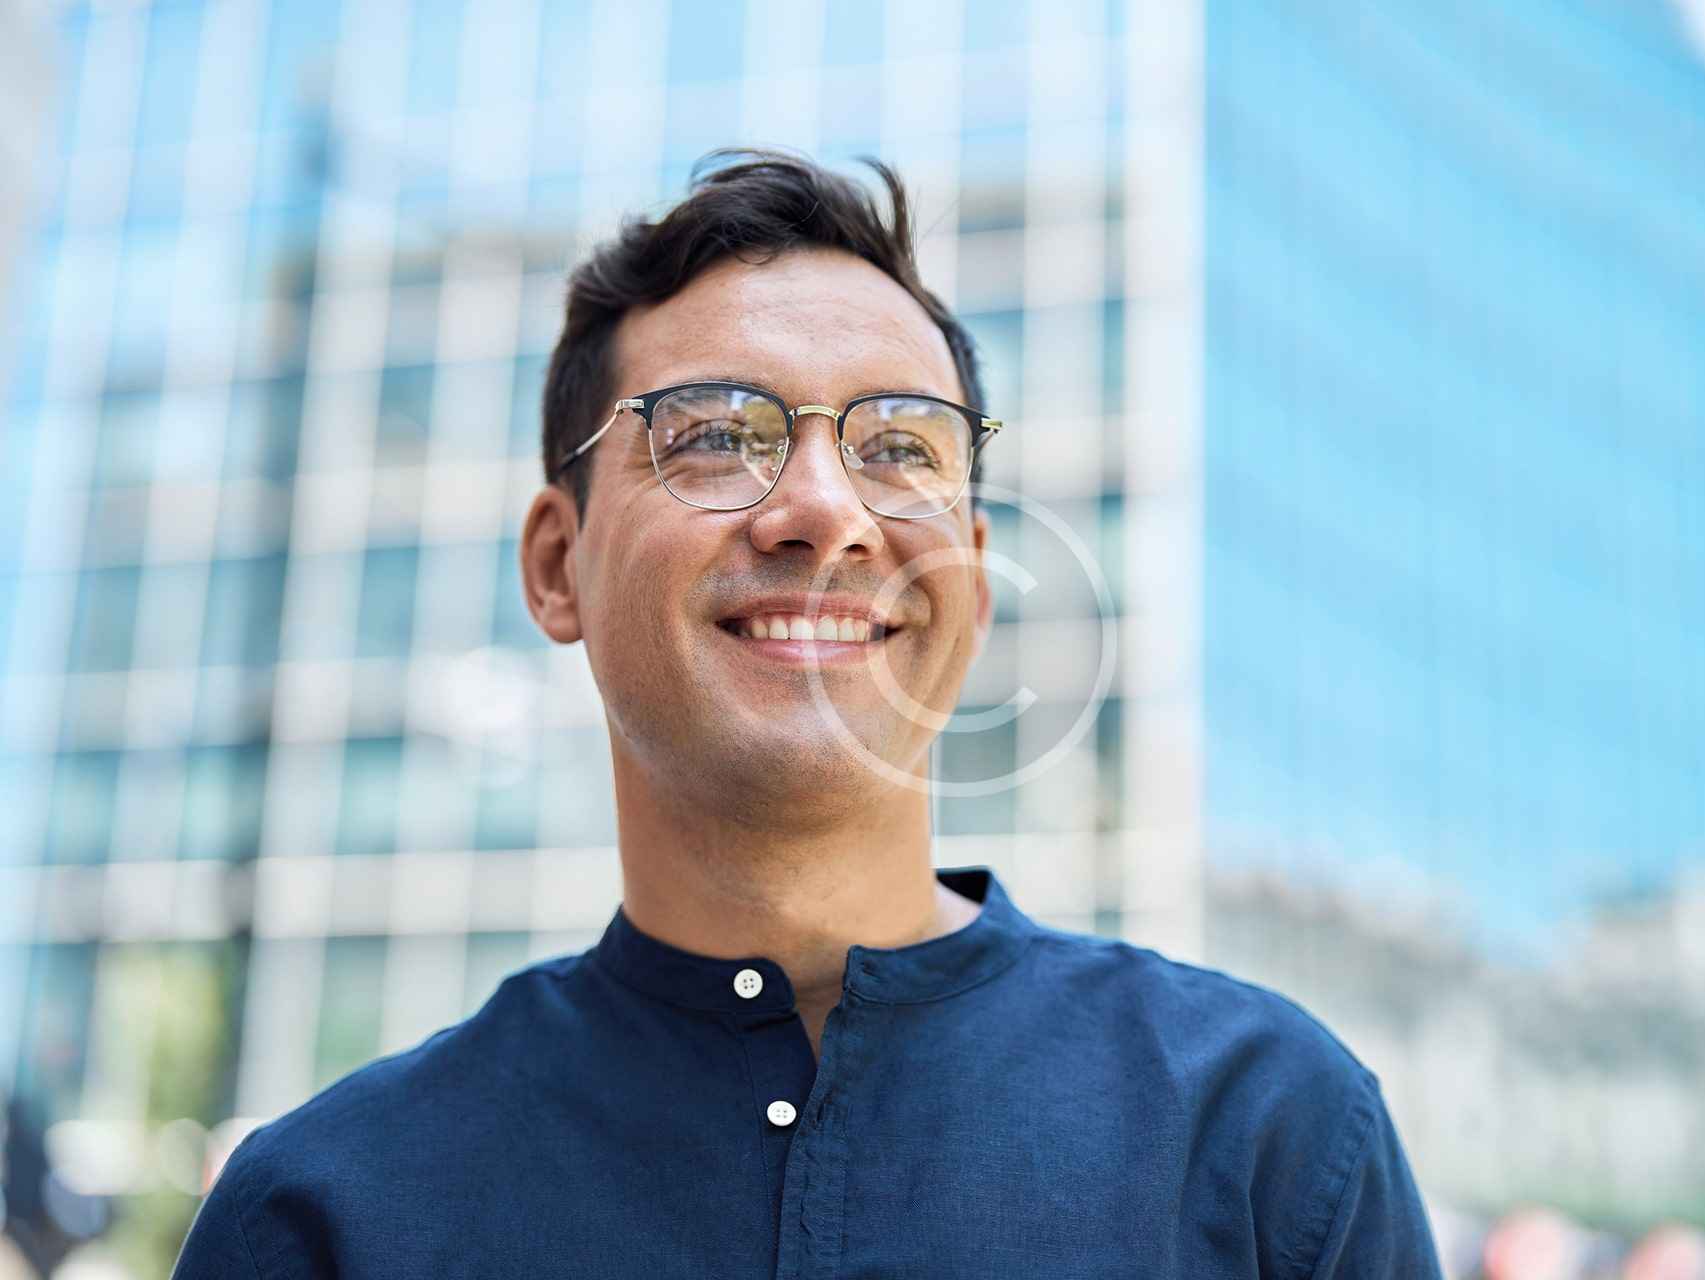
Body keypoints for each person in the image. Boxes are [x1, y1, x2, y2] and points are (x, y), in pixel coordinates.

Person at [172, 150, 1442, 1278]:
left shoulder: (1269, 1136)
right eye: (718, 433)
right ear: (558, 566)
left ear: (975, 578)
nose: (825, 508)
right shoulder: (325, 1216)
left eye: (902, 447)